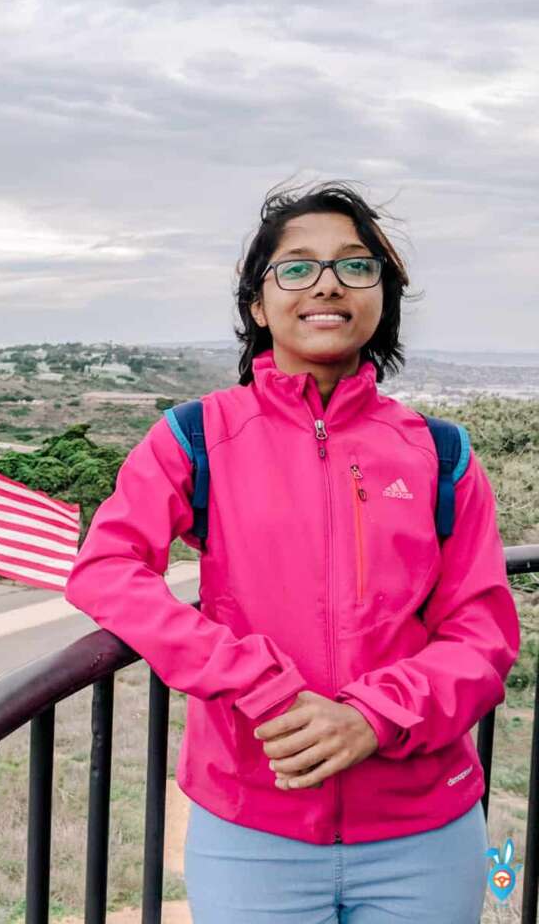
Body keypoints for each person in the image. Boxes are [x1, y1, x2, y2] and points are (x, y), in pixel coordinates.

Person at [64, 181, 521, 922]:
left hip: (425, 833)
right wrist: (257, 681)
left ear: (384, 295)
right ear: (258, 302)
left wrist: (373, 717)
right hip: (252, 831)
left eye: (355, 265)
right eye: (298, 267)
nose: (329, 283)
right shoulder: (196, 436)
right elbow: (107, 569)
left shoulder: (441, 455)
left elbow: (484, 634)